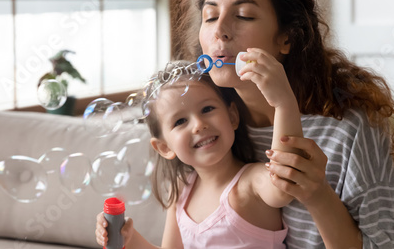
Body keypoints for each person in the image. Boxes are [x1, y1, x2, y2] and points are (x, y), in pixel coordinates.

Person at [171, 0, 394, 248]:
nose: (220, 31)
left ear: (286, 38)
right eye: (210, 16)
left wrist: (317, 194)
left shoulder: (349, 127)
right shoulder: (208, 124)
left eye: (243, 15)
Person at [95, 55, 303, 249]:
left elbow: (284, 185)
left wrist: (284, 104)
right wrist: (129, 239)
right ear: (164, 147)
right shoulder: (182, 189)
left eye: (207, 109)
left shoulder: (251, 182)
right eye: (180, 121)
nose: (198, 125)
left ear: (232, 117)